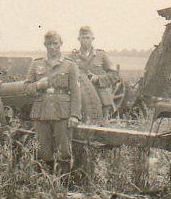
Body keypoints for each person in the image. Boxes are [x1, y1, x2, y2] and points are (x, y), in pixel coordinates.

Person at [24, 30, 82, 173]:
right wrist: (38, 86)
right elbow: (26, 88)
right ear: (45, 45)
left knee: (64, 152)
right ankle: (47, 181)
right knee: (44, 151)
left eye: (55, 43)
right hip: (41, 113)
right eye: (49, 44)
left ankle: (63, 184)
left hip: (62, 113)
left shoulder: (70, 65)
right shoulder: (36, 64)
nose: (52, 47)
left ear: (61, 44)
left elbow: (76, 91)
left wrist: (75, 115)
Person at [71, 25, 121, 115]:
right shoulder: (73, 57)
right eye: (83, 38)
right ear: (79, 39)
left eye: (88, 38)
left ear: (92, 38)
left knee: (102, 127)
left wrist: (98, 79)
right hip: (82, 100)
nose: (86, 40)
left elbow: (114, 75)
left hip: (102, 99)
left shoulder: (101, 55)